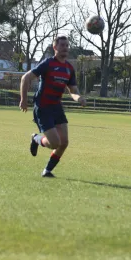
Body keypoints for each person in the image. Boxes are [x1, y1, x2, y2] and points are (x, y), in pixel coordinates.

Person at [19, 35, 86, 178]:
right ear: (55, 47)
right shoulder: (48, 63)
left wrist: (78, 97)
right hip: (43, 107)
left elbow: (73, 90)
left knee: (64, 142)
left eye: (67, 45)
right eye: (62, 45)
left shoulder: (69, 68)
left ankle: (47, 171)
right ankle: (36, 138)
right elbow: (25, 78)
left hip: (57, 107)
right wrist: (23, 99)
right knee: (55, 143)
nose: (65, 48)